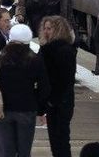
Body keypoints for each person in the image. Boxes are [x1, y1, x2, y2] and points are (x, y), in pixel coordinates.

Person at [0, 24, 50, 157]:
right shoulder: (34, 59)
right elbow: (44, 87)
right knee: (24, 151)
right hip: (27, 109)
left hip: (4, 109)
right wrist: (41, 109)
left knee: (7, 151)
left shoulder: (1, 57)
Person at [38, 15, 77, 157]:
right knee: (56, 139)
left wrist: (51, 101)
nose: (47, 32)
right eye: (45, 28)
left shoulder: (61, 50)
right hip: (55, 101)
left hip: (60, 101)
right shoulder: (51, 49)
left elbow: (65, 80)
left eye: (50, 28)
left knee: (60, 139)